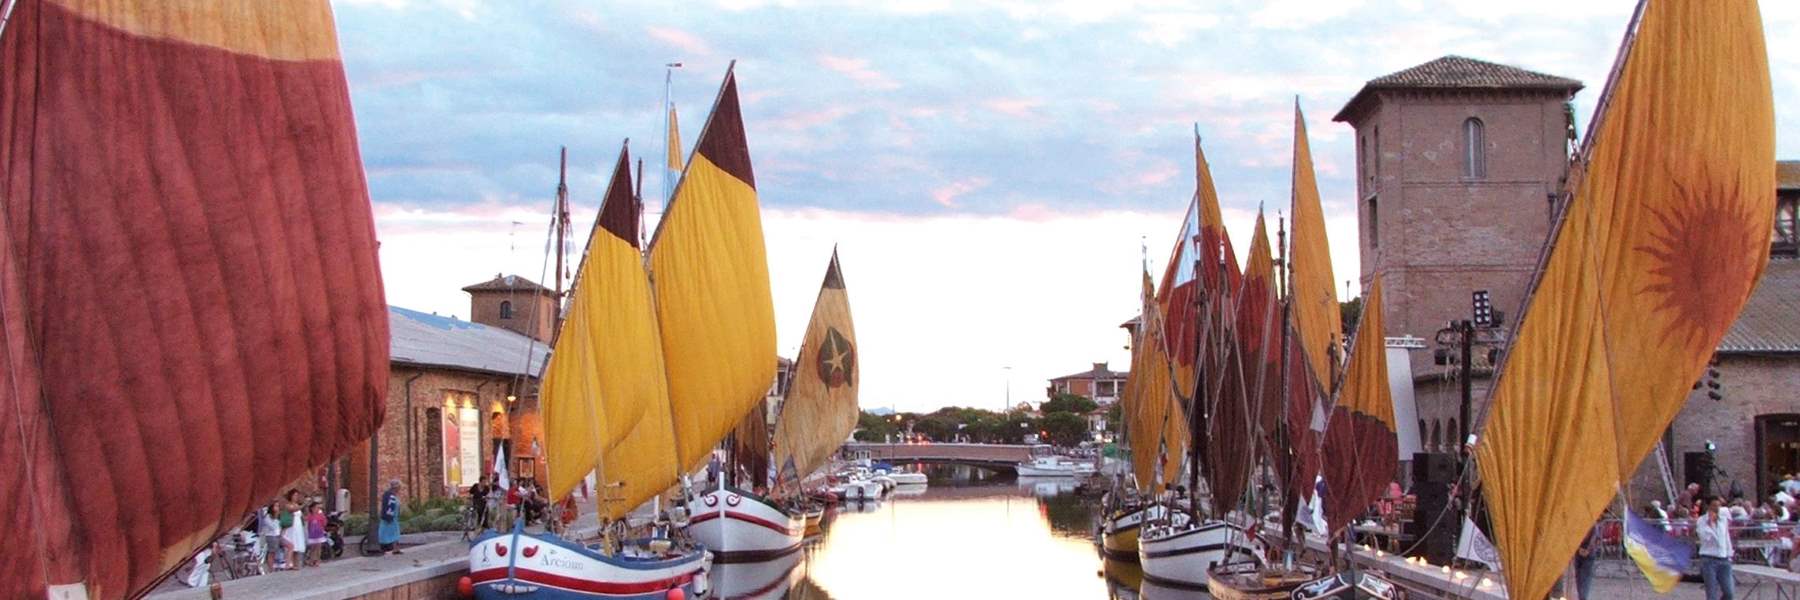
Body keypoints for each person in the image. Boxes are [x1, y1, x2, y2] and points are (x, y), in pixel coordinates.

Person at [1697, 496, 1737, 600]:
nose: (1717, 508)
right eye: (1714, 505)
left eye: (1719, 505)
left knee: (1729, 592)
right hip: (1709, 559)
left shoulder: (1723, 520)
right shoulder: (1702, 521)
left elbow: (1726, 537)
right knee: (1711, 592)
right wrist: (1710, 524)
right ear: (1709, 506)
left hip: (1724, 559)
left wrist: (1730, 553)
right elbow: (1705, 538)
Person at [281, 489, 307, 569]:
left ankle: (296, 564)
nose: (296, 497)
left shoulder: (297, 505)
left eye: (297, 496)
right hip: (291, 527)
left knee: (298, 545)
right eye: (294, 495)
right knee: (292, 544)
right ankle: (288, 563)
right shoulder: (288, 505)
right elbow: (293, 509)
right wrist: (303, 505)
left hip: (298, 526)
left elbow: (303, 516)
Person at [1573, 520, 1599, 600]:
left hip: (1587, 552)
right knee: (1579, 578)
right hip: (1580, 551)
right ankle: (1581, 596)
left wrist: (1587, 549)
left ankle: (1582, 597)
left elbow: (1594, 537)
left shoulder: (1592, 524)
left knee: (1584, 578)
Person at [378, 480, 403, 555]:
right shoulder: (390, 495)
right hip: (389, 517)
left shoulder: (393, 495)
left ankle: (396, 548)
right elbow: (387, 506)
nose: (399, 489)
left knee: (395, 533)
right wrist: (388, 516)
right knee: (385, 532)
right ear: (396, 487)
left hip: (394, 518)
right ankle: (384, 548)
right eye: (399, 487)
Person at [257, 503, 282, 571]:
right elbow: (272, 527)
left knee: (274, 552)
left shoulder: (277, 516)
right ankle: (270, 567)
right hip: (270, 535)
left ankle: (273, 565)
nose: (277, 508)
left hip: (276, 535)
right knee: (271, 551)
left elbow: (279, 525)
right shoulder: (267, 517)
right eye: (276, 506)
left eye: (278, 506)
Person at [304, 502, 327, 566]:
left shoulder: (321, 516)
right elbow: (308, 525)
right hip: (312, 534)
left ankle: (318, 560)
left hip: (319, 533)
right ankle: (311, 560)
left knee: (318, 547)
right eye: (316, 508)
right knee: (313, 548)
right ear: (312, 508)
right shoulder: (310, 516)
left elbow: (324, 523)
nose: (317, 509)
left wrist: (322, 528)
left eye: (318, 508)